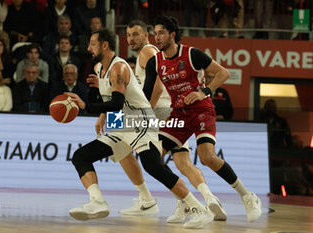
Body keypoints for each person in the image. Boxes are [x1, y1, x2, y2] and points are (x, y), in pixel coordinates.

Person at [66, 29, 214, 229]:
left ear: (104, 45)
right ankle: (97, 202)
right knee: (81, 156)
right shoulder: (100, 67)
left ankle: (198, 209)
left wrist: (87, 107)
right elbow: (113, 100)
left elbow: (117, 103)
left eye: (92, 44)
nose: (88, 48)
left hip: (142, 121)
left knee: (152, 165)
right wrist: (106, 120)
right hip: (124, 124)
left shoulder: (119, 67)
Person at [143, 16, 261, 222]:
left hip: (201, 110)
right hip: (178, 114)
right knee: (153, 158)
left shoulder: (192, 54)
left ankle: (247, 195)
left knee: (207, 157)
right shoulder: (155, 62)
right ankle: (185, 201)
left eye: (161, 32)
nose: (157, 37)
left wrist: (203, 91)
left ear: (172, 34)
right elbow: (145, 95)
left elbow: (222, 73)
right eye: (155, 33)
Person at [122, 19, 227, 221]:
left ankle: (147, 200)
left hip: (161, 113)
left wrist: (145, 115)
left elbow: (158, 87)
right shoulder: (152, 53)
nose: (130, 39)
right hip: (173, 112)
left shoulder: (148, 52)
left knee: (121, 143)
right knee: (182, 163)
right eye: (127, 35)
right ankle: (204, 198)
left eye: (135, 34)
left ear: (146, 35)